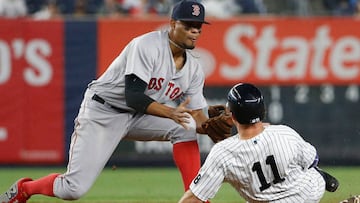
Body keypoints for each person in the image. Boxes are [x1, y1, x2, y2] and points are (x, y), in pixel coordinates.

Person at [0, 0, 211, 202]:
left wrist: (216, 124)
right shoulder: (147, 45)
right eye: (189, 25)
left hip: (138, 116)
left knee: (187, 127)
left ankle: (194, 198)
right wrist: (170, 112)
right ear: (173, 23)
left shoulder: (193, 69)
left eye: (199, 26)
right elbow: (134, 97)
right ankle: (24, 189)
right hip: (103, 111)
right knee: (72, 189)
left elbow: (199, 119)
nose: (195, 31)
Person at [179, 83, 338, 203]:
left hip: (269, 199)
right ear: (263, 111)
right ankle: (320, 175)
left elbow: (195, 197)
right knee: (308, 165)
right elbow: (312, 159)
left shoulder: (223, 153)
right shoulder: (284, 132)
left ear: (232, 117)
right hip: (309, 192)